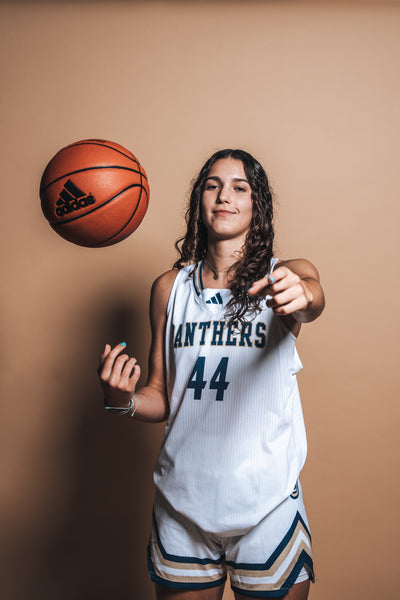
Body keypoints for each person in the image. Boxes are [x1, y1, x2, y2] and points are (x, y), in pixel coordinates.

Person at [98, 149, 325, 600]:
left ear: (257, 205)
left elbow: (312, 298)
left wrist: (303, 294)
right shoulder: (169, 289)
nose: (224, 196)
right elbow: (161, 394)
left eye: (240, 187)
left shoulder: (284, 275)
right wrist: (122, 400)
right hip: (182, 502)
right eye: (212, 185)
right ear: (199, 200)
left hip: (267, 502)